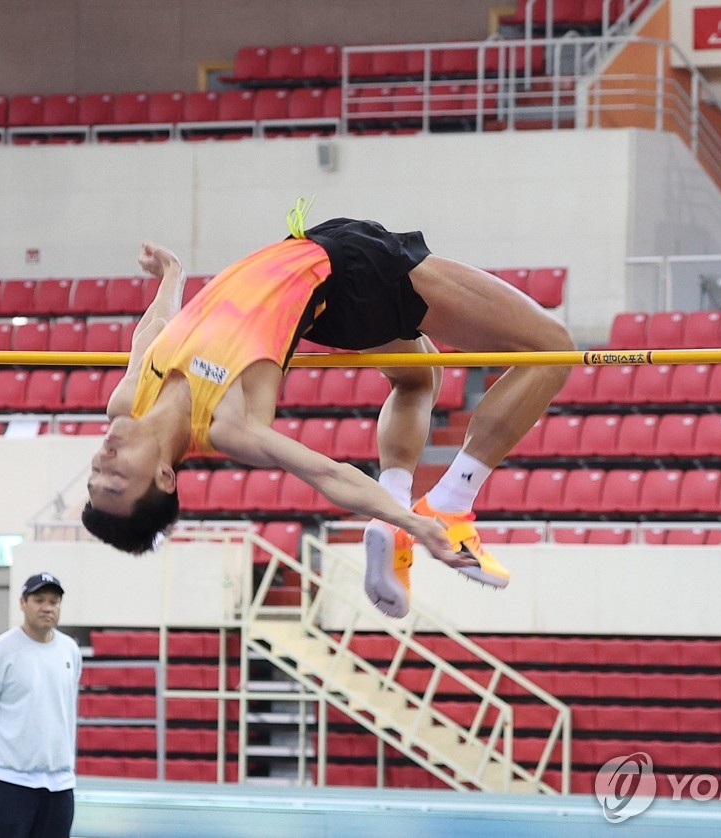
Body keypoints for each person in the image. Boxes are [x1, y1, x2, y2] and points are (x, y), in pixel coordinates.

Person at [82, 208, 573, 618]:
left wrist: (172, 276)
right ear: (165, 478)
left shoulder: (127, 401)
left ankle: (395, 506)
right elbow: (327, 474)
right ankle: (451, 500)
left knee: (418, 377)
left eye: (94, 478)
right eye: (116, 482)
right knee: (550, 347)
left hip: (321, 288)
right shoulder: (227, 425)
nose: (102, 464)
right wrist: (420, 524)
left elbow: (153, 330)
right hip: (351, 271)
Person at [0, 572, 82, 838]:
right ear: (23, 603)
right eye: (39, 600)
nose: (47, 607)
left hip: (59, 785)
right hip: (9, 783)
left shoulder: (69, 650)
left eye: (53, 601)